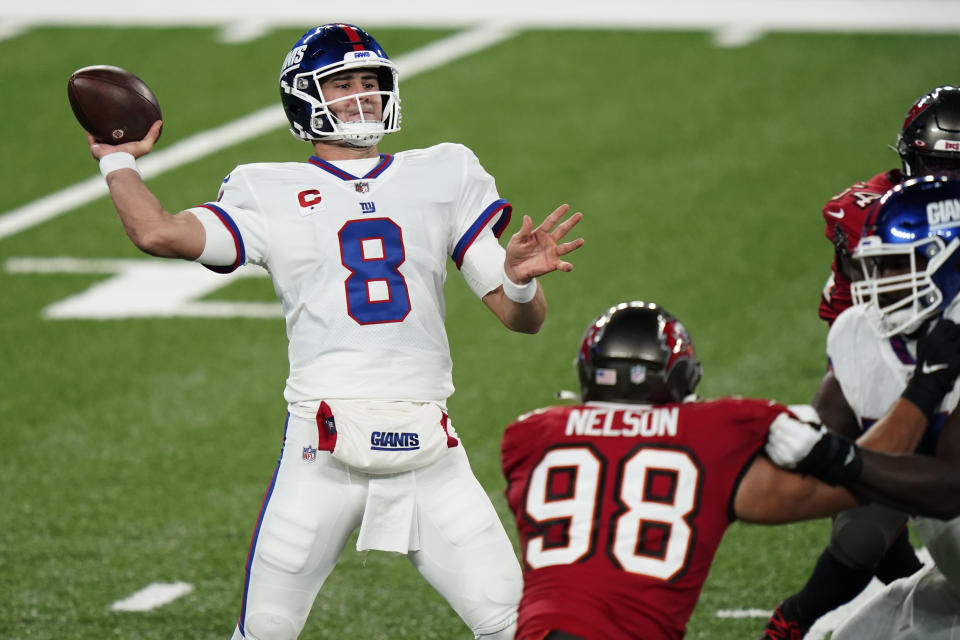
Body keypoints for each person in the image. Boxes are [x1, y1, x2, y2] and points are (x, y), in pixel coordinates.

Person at [81, 23, 584, 640]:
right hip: (322, 445)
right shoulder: (265, 190)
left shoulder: (445, 172)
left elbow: (519, 319)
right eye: (341, 84)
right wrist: (117, 162)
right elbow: (156, 233)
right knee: (264, 632)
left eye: (370, 83)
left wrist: (523, 281)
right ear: (305, 99)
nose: (362, 97)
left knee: (519, 627)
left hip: (429, 444)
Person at [499, 297, 960, 640]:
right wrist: (926, 384)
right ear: (680, 377)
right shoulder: (710, 432)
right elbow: (860, 480)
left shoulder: (528, 436)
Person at [761, 85, 960, 639]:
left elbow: (949, 484)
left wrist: (843, 461)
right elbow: (844, 404)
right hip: (919, 389)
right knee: (862, 535)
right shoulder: (873, 275)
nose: (876, 279)